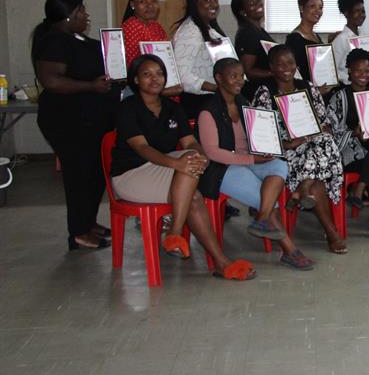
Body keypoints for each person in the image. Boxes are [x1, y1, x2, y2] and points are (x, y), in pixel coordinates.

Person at [111, 55, 256, 279]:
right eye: (147, 74)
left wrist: (202, 155)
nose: (155, 79)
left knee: (192, 165)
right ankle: (183, 237)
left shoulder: (172, 107)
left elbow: (190, 142)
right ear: (136, 80)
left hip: (164, 169)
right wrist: (176, 163)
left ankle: (194, 246)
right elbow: (142, 148)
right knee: (191, 187)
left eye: (159, 74)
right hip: (132, 174)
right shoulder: (128, 107)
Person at [197, 57, 316, 269]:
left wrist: (272, 145)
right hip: (223, 167)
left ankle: (262, 218)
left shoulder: (242, 102)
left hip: (249, 159)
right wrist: (252, 159)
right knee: (266, 198)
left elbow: (257, 133)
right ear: (219, 78)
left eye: (241, 76)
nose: (239, 80)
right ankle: (289, 250)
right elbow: (213, 153)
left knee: (279, 165)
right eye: (233, 76)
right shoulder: (208, 110)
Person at [31, 0, 119, 250]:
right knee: (79, 175)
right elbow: (51, 80)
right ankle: (79, 232)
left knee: (95, 172)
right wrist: (91, 86)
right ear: (68, 16)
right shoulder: (53, 42)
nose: (86, 15)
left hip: (91, 120)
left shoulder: (75, 37)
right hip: (68, 121)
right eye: (81, 10)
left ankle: (88, 222)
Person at [252, 45, 348, 255]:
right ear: (271, 67)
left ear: (296, 65)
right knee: (318, 177)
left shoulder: (308, 87)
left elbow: (324, 123)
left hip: (313, 144)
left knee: (325, 140)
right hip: (285, 151)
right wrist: (288, 144)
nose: (286, 68)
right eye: (280, 64)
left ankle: (304, 188)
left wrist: (305, 137)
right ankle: (330, 231)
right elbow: (262, 132)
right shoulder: (265, 92)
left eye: (290, 63)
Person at [327, 48, 369, 242]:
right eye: (358, 70)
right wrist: (354, 133)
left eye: (367, 70)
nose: (363, 75)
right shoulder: (339, 97)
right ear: (349, 71)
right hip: (349, 152)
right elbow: (331, 132)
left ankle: (360, 187)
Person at [173, 0, 230, 118]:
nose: (214, 4)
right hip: (198, 103)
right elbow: (182, 76)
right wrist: (217, 88)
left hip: (211, 99)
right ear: (194, 3)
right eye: (207, 0)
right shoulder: (190, 31)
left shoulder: (208, 28)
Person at [232, 0, 276, 100]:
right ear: (243, 12)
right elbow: (248, 71)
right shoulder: (248, 34)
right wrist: (275, 72)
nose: (258, 4)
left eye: (258, 0)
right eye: (252, 3)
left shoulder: (258, 30)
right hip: (257, 92)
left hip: (265, 89)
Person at [285, 0, 331, 92]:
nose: (318, 11)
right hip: (308, 92)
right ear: (301, 8)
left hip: (322, 90)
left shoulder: (316, 36)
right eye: (312, 6)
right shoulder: (294, 38)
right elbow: (293, 72)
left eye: (320, 7)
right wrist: (315, 92)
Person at [330, 0, 369, 85]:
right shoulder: (340, 40)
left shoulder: (365, 36)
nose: (361, 15)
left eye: (363, 11)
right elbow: (332, 70)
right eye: (357, 11)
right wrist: (350, 79)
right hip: (349, 87)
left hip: (365, 85)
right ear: (346, 13)